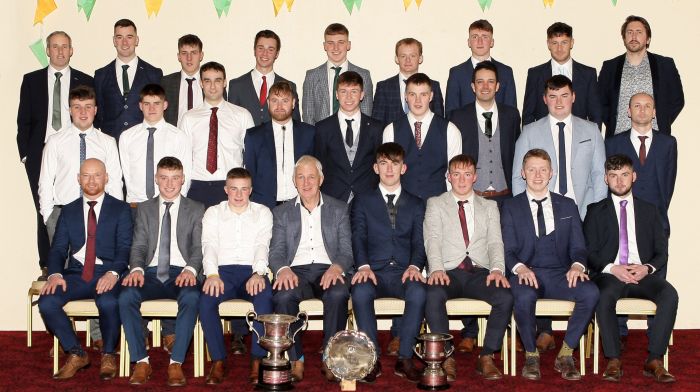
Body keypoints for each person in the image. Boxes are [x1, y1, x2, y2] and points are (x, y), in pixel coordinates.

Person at [501, 149, 599, 381]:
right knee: (523, 297)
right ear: (523, 173)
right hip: (527, 273)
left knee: (591, 292)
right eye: (532, 169)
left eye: (543, 169)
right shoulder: (510, 207)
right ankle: (531, 354)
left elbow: (578, 246)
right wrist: (520, 268)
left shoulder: (567, 205)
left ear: (551, 173)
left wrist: (577, 265)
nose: (537, 175)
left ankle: (566, 353)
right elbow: (507, 249)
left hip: (561, 274)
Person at [583, 154, 678, 383]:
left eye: (624, 175)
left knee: (669, 294)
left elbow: (661, 251)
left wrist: (647, 268)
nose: (619, 181)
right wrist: (612, 268)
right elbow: (588, 252)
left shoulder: (650, 210)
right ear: (606, 179)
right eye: (613, 176)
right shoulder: (595, 210)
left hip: (641, 273)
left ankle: (654, 359)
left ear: (633, 176)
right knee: (603, 296)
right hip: (611, 275)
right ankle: (614, 358)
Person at [447, 60, 520, 352]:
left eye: (491, 81)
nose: (486, 86)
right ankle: (468, 330)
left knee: (501, 258)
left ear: (498, 86)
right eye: (481, 82)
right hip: (470, 199)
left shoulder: (513, 116)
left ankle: (503, 328)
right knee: (468, 262)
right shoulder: (458, 116)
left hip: (504, 197)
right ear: (473, 86)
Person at [38, 158, 132, 381]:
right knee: (47, 301)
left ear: (106, 178)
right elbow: (59, 249)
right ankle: (76, 352)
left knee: (108, 301)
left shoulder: (121, 209)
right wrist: (55, 274)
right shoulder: (68, 211)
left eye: (97, 175)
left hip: (107, 272)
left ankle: (108, 353)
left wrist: (113, 273)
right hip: (77, 274)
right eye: (86, 176)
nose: (92, 180)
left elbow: (125, 248)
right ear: (78, 179)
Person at [424, 154, 513, 381]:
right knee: (433, 293)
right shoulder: (435, 203)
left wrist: (497, 270)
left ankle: (486, 356)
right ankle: (445, 358)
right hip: (448, 272)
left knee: (504, 296)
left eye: (466, 174)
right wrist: (435, 269)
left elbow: (495, 241)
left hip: (479, 271)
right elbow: (432, 239)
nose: (461, 180)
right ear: (448, 177)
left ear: (475, 177)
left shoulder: (489, 206)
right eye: (456, 174)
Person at [119, 157, 204, 386]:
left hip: (181, 272)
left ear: (183, 179)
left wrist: (190, 269)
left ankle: (175, 362)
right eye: (164, 178)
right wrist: (136, 268)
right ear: (156, 179)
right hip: (151, 272)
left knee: (192, 295)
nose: (169, 184)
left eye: (175, 178)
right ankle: (141, 360)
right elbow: (138, 246)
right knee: (126, 295)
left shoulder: (196, 209)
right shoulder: (145, 209)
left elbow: (199, 247)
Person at [16, 30, 94, 279]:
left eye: (65, 47)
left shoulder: (85, 79)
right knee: (44, 208)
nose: (60, 51)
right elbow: (24, 121)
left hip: (73, 149)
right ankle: (48, 264)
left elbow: (91, 115)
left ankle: (79, 263)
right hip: (40, 154)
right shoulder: (32, 80)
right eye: (55, 46)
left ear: (71, 50)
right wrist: (27, 155)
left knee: (75, 205)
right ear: (47, 50)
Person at [269, 155, 353, 383]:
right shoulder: (281, 212)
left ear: (321, 179)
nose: (306, 183)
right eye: (301, 177)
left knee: (338, 293)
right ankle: (297, 359)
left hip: (329, 269)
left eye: (311, 177)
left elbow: (347, 250)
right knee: (283, 296)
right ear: (294, 181)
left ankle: (330, 356)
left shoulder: (339, 209)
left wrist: (337, 266)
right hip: (296, 271)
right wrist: (283, 269)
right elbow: (276, 251)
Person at [351, 143, 427, 383]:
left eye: (395, 163)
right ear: (376, 168)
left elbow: (420, 241)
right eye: (384, 163)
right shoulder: (362, 201)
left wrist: (415, 266)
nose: (389, 169)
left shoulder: (416, 203)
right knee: (360, 292)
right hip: (373, 271)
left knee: (418, 292)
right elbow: (358, 237)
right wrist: (363, 266)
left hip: (405, 272)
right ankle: (371, 359)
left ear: (403, 168)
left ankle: (404, 358)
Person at [199, 168, 274, 385]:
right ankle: (218, 360)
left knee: (264, 298)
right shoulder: (213, 212)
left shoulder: (263, 212)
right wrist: (212, 274)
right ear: (226, 189)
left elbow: (263, 244)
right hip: (222, 272)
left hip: (252, 271)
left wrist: (259, 273)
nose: (239, 195)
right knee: (205, 302)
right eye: (234, 189)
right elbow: (209, 244)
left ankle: (257, 359)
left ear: (250, 190)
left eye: (243, 189)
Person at [513, 75, 606, 219]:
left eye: (564, 95)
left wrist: (597, 211)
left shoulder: (592, 130)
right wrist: (525, 212)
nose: (559, 102)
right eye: (552, 96)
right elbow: (518, 177)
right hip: (541, 212)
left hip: (584, 211)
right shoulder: (529, 132)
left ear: (573, 97)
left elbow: (600, 174)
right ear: (545, 99)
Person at [39, 85, 123, 244]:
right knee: (61, 268)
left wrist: (114, 215)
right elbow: (45, 181)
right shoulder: (55, 142)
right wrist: (48, 216)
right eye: (77, 107)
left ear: (95, 110)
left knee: (97, 267)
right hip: (62, 214)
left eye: (88, 107)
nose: (83, 112)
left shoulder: (108, 142)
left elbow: (115, 181)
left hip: (99, 214)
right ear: (70, 110)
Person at [178, 61, 255, 208]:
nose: (212, 86)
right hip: (197, 186)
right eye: (207, 81)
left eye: (217, 81)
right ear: (201, 83)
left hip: (231, 187)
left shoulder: (242, 115)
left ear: (225, 82)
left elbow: (251, 156)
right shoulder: (189, 118)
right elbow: (183, 157)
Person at [598, 15, 684, 138]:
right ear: (624, 38)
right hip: (619, 140)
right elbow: (600, 102)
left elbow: (677, 100)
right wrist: (613, 123)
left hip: (655, 140)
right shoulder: (610, 67)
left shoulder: (665, 65)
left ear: (648, 39)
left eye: (639, 32)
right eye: (629, 32)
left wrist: (661, 120)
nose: (633, 37)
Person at [605, 93, 677, 238]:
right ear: (629, 111)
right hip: (621, 222)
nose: (642, 110)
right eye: (637, 106)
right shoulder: (612, 143)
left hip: (657, 222)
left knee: (654, 261)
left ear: (654, 112)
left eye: (647, 106)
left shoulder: (668, 143)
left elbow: (668, 184)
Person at [383, 73, 462, 200]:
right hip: (402, 206)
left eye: (423, 95)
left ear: (431, 96)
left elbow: (455, 174)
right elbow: (388, 174)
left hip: (438, 205)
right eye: (412, 94)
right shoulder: (390, 130)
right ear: (405, 96)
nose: (417, 101)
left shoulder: (450, 130)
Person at [244, 81, 315, 210]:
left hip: (301, 206)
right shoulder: (253, 136)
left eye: (285, 101)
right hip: (264, 207)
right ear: (268, 103)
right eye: (274, 100)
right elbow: (250, 175)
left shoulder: (309, 133)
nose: (279, 106)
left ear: (293, 103)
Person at [315, 71, 384, 203]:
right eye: (343, 91)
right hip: (333, 199)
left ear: (362, 95)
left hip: (367, 199)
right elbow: (320, 166)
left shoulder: (376, 128)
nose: (348, 97)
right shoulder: (322, 128)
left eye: (354, 91)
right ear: (336, 95)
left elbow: (379, 165)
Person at [119, 84, 192, 205]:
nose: (151, 108)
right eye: (147, 104)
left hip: (168, 203)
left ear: (165, 105)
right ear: (140, 106)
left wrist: (177, 204)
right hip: (136, 204)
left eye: (157, 103)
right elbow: (127, 174)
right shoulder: (127, 137)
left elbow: (185, 174)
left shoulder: (179, 137)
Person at [94, 19, 163, 140]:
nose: (124, 42)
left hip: (144, 142)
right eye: (120, 37)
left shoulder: (153, 74)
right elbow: (98, 115)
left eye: (129, 37)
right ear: (114, 41)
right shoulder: (101, 75)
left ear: (137, 40)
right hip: (111, 145)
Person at [522, 22, 601, 127]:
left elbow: (595, 115)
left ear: (572, 43)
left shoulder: (588, 74)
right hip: (544, 140)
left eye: (564, 42)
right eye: (555, 43)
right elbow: (528, 115)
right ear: (548, 44)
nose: (559, 49)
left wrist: (591, 140)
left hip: (579, 139)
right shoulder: (535, 74)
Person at [302, 23, 373, 125]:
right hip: (321, 136)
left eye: (341, 42)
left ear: (348, 45)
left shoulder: (363, 75)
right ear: (325, 46)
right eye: (330, 43)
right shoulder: (312, 76)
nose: (336, 48)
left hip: (353, 134)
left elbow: (366, 111)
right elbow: (308, 114)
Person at [228, 30, 301, 126]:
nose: (265, 53)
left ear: (277, 54)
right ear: (254, 50)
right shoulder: (236, 85)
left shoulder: (290, 86)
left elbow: (296, 124)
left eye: (270, 49)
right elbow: (231, 124)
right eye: (260, 48)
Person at [445, 19, 516, 114]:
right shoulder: (456, 73)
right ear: (469, 42)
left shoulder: (506, 72)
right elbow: (451, 114)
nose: (480, 41)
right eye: (475, 37)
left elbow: (511, 112)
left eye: (485, 37)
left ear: (492, 42)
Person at [372, 38, 444, 123]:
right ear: (396, 59)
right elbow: (377, 124)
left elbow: (439, 122)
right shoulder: (383, 88)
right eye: (403, 56)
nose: (408, 60)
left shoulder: (433, 86)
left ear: (420, 58)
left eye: (412, 56)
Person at [161, 34, 205, 126]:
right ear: (178, 56)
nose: (189, 58)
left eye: (194, 53)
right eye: (184, 53)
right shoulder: (165, 83)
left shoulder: (212, 83)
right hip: (175, 138)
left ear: (201, 55)